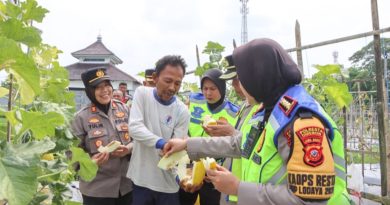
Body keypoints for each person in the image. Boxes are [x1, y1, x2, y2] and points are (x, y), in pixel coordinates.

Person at [164, 38, 351, 205]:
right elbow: (239, 144)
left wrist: (238, 188)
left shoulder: (301, 120)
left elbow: (308, 200)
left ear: (259, 76)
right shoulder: (267, 109)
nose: (238, 86)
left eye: (242, 79)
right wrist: (187, 144)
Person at [127, 55, 190, 205]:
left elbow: (177, 149)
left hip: (168, 186)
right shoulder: (142, 94)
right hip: (141, 180)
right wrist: (162, 143)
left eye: (177, 83)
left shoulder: (182, 111)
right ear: (155, 78)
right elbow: (134, 128)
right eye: (168, 81)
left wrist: (181, 177)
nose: (172, 88)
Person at [204, 54, 262, 205]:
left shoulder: (263, 109)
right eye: (233, 81)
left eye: (238, 80)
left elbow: (254, 146)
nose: (236, 86)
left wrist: (231, 132)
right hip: (231, 187)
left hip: (244, 190)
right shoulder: (245, 105)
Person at [71, 67, 133, 205]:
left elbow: (138, 140)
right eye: (98, 87)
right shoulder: (81, 117)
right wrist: (91, 161)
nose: (104, 90)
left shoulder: (124, 109)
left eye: (106, 85)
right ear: (89, 92)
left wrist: (128, 149)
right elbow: (72, 155)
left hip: (126, 186)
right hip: (97, 191)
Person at [181, 68, 239, 205]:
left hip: (212, 172)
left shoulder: (233, 113)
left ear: (222, 88)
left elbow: (234, 145)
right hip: (189, 166)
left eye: (213, 88)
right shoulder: (194, 100)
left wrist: (216, 168)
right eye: (205, 88)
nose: (208, 93)